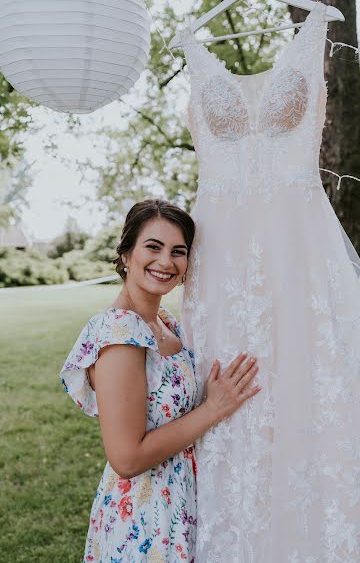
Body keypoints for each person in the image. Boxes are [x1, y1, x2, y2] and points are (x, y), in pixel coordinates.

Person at [60, 199, 260, 562]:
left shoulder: (164, 323)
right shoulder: (119, 334)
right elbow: (127, 457)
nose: (166, 261)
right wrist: (213, 408)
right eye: (153, 247)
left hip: (180, 502)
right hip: (143, 519)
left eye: (178, 252)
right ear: (125, 255)